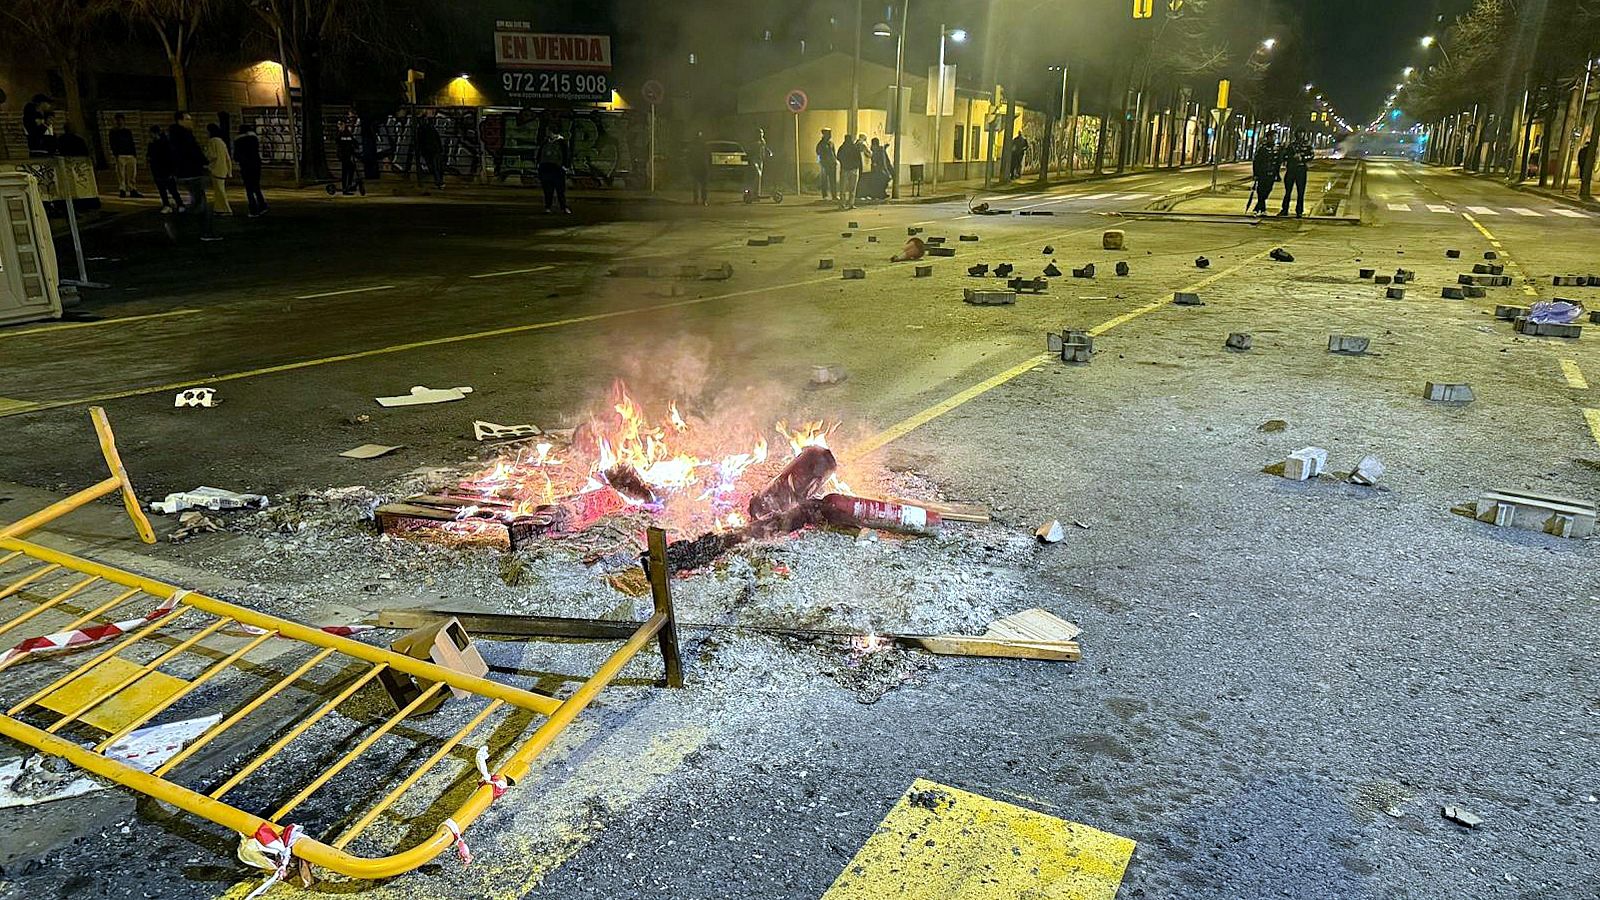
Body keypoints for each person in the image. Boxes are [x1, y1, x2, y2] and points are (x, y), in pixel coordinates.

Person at [170, 113, 218, 240]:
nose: (190, 122)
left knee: (200, 203)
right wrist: (205, 162)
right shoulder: (185, 136)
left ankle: (203, 231)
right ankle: (181, 223)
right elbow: (193, 152)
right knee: (200, 204)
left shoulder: (175, 136)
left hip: (186, 172)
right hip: (191, 172)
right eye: (187, 119)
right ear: (179, 121)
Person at [146, 124, 181, 213]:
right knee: (162, 190)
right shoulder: (152, 145)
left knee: (172, 189)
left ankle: (179, 204)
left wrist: (172, 171)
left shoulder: (166, 144)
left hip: (166, 170)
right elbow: (149, 156)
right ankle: (167, 204)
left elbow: (171, 158)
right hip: (157, 170)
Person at [234, 122, 266, 217]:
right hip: (256, 164)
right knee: (256, 186)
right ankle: (262, 205)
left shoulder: (238, 140)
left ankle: (253, 209)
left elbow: (236, 156)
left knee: (249, 188)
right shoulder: (254, 138)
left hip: (245, 166)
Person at [1278, 131, 1313, 217]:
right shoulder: (1291, 145)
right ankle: (1285, 209)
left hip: (1301, 170)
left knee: (1301, 192)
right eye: (1299, 133)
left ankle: (1299, 211)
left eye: (1302, 133)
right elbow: (1284, 156)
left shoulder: (1307, 146)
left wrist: (1302, 158)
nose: (1300, 135)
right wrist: (1292, 158)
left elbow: (1311, 156)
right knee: (1288, 191)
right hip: (1291, 170)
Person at [109, 113, 142, 198]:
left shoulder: (127, 132)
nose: (120, 122)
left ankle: (132, 189)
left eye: (121, 120)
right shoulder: (113, 132)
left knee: (132, 174)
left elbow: (131, 143)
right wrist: (116, 154)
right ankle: (122, 189)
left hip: (130, 154)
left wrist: (134, 154)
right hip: (120, 155)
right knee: (121, 174)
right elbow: (112, 144)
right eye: (118, 120)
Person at [538, 129, 571, 213]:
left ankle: (563, 207)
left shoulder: (562, 142)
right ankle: (548, 207)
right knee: (548, 190)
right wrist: (539, 164)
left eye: (550, 132)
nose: (548, 134)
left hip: (557, 169)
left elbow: (566, 155)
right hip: (546, 168)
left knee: (560, 190)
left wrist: (565, 167)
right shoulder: (545, 142)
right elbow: (540, 153)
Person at [204, 122, 233, 215]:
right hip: (223, 169)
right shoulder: (221, 142)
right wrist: (229, 170)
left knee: (219, 191)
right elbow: (227, 157)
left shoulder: (212, 141)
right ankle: (219, 209)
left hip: (215, 169)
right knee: (219, 190)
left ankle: (226, 209)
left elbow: (212, 155)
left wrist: (205, 153)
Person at [1251, 133, 1279, 216]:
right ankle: (1262, 209)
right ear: (1268, 137)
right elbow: (1256, 162)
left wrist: (1277, 174)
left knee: (1267, 191)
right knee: (1261, 191)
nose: (1274, 139)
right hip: (1262, 173)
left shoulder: (1276, 148)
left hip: (1271, 174)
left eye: (1275, 137)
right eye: (1273, 137)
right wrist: (1256, 173)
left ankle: (1257, 208)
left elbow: (1278, 162)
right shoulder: (1262, 148)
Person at [414, 115, 445, 189]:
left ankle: (439, 182)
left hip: (429, 150)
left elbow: (419, 141)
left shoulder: (421, 130)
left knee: (434, 166)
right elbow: (437, 138)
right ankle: (439, 182)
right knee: (436, 166)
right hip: (433, 150)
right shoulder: (430, 128)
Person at [837, 131, 863, 210]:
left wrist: (844, 163)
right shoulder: (855, 148)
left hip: (845, 169)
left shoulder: (842, 147)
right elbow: (859, 159)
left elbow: (838, 157)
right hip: (854, 170)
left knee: (843, 188)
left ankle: (842, 204)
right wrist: (859, 168)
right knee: (852, 188)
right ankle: (851, 204)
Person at [336, 116, 359, 194]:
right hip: (344, 155)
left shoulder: (346, 133)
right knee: (346, 171)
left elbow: (353, 142)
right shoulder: (341, 133)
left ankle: (347, 186)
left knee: (350, 169)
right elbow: (340, 142)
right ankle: (346, 188)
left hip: (347, 154)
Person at [689, 131, 711, 206]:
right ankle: (702, 200)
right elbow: (708, 156)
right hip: (701, 167)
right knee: (702, 185)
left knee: (697, 185)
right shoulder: (704, 145)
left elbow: (690, 157)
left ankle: (698, 200)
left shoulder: (694, 146)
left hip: (699, 167)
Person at [815, 128, 837, 201]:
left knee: (833, 180)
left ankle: (834, 195)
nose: (830, 135)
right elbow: (818, 153)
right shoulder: (821, 144)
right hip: (825, 164)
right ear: (824, 134)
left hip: (832, 164)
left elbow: (834, 153)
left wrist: (835, 160)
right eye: (828, 133)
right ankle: (825, 195)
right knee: (824, 180)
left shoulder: (831, 143)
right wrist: (820, 162)